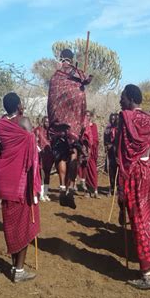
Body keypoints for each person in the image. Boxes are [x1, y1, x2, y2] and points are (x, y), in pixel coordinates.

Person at [117, 84, 150, 290]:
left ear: (129, 98)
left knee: (138, 219)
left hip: (136, 175)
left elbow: (122, 154)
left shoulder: (126, 119)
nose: (121, 101)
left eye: (122, 97)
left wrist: (121, 187)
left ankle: (146, 274)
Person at [0, 92, 41, 283]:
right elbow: (32, 154)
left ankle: (15, 266)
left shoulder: (0, 125)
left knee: (11, 223)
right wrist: (36, 182)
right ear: (19, 105)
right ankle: (19, 270)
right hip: (22, 181)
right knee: (25, 223)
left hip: (5, 179)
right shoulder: (24, 122)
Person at [47, 48, 93, 209]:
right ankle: (71, 188)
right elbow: (87, 80)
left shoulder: (56, 77)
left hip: (59, 123)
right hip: (74, 122)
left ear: (61, 58)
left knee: (60, 155)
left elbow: (51, 102)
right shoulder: (77, 73)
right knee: (73, 153)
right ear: (72, 59)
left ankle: (61, 187)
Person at [33, 116, 53, 202]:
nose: (47, 123)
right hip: (41, 155)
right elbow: (34, 141)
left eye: (48, 122)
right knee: (42, 174)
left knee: (48, 174)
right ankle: (41, 194)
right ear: (43, 121)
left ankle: (46, 193)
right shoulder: (38, 130)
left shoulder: (51, 131)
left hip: (49, 155)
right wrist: (39, 150)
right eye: (46, 122)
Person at [82, 110, 99, 198]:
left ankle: (95, 190)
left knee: (93, 171)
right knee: (85, 171)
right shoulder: (83, 127)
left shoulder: (94, 126)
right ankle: (87, 191)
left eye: (88, 116)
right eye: (86, 115)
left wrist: (90, 143)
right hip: (84, 153)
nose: (87, 117)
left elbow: (96, 139)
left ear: (90, 117)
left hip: (91, 152)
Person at [104, 113, 119, 197]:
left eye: (115, 119)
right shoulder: (108, 129)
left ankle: (118, 188)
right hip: (110, 153)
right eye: (112, 119)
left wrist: (113, 145)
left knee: (119, 171)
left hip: (118, 153)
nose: (113, 121)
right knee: (111, 171)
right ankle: (111, 188)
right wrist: (106, 145)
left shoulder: (120, 129)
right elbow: (105, 139)